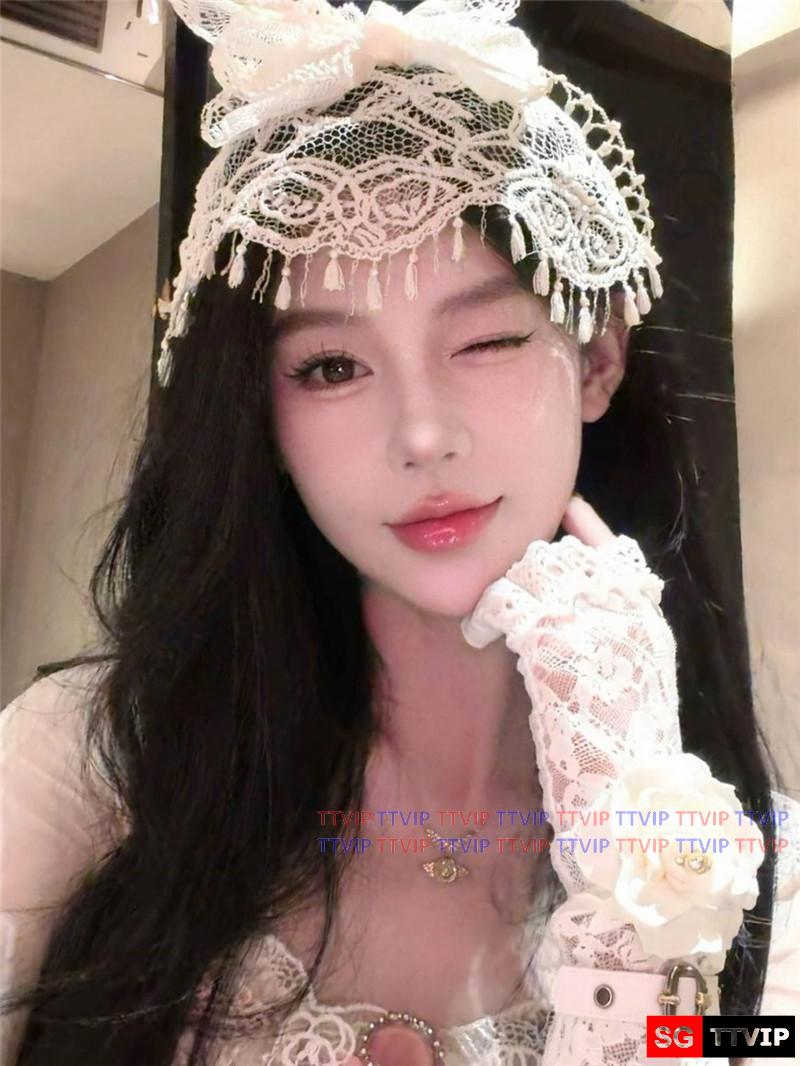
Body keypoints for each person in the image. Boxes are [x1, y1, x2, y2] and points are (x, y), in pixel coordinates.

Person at [1, 2, 798, 1065]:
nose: (422, 436)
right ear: (262, 419)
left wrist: (637, 861)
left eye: (488, 339)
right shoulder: (95, 758)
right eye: (331, 366)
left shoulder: (765, 879)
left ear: (596, 358)